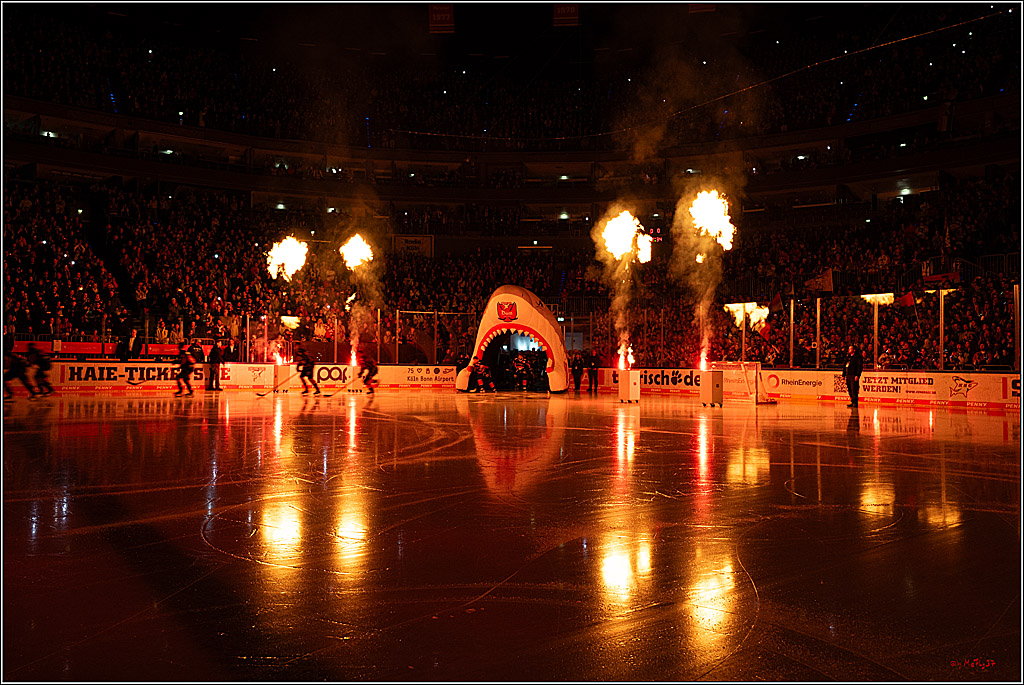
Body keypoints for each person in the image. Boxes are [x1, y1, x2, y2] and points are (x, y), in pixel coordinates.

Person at [843, 344, 863, 408]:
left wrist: (857, 375)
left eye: (850, 349)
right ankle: (852, 401)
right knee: (849, 389)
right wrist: (843, 374)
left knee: (853, 389)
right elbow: (845, 366)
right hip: (848, 374)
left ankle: (855, 402)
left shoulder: (857, 357)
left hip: (853, 375)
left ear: (854, 350)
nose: (849, 350)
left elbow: (859, 367)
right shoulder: (848, 357)